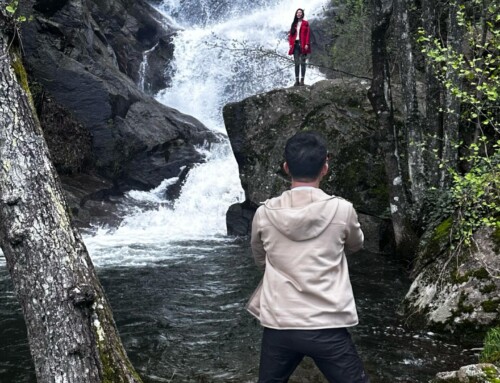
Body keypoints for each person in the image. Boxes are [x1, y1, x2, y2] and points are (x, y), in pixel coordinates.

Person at [247, 131, 370, 383]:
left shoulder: (264, 213)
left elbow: (261, 258)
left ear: (286, 168)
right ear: (325, 168)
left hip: (280, 323)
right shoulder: (342, 209)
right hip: (327, 324)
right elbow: (356, 245)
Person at [288, 8, 311, 86]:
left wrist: (307, 44)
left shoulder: (305, 23)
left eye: (300, 12)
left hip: (303, 45)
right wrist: (290, 44)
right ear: (296, 14)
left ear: (302, 14)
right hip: (295, 45)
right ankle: (297, 80)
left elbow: (308, 34)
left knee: (303, 63)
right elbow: (291, 35)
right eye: (297, 12)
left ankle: (302, 81)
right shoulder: (293, 24)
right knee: (297, 63)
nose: (299, 13)